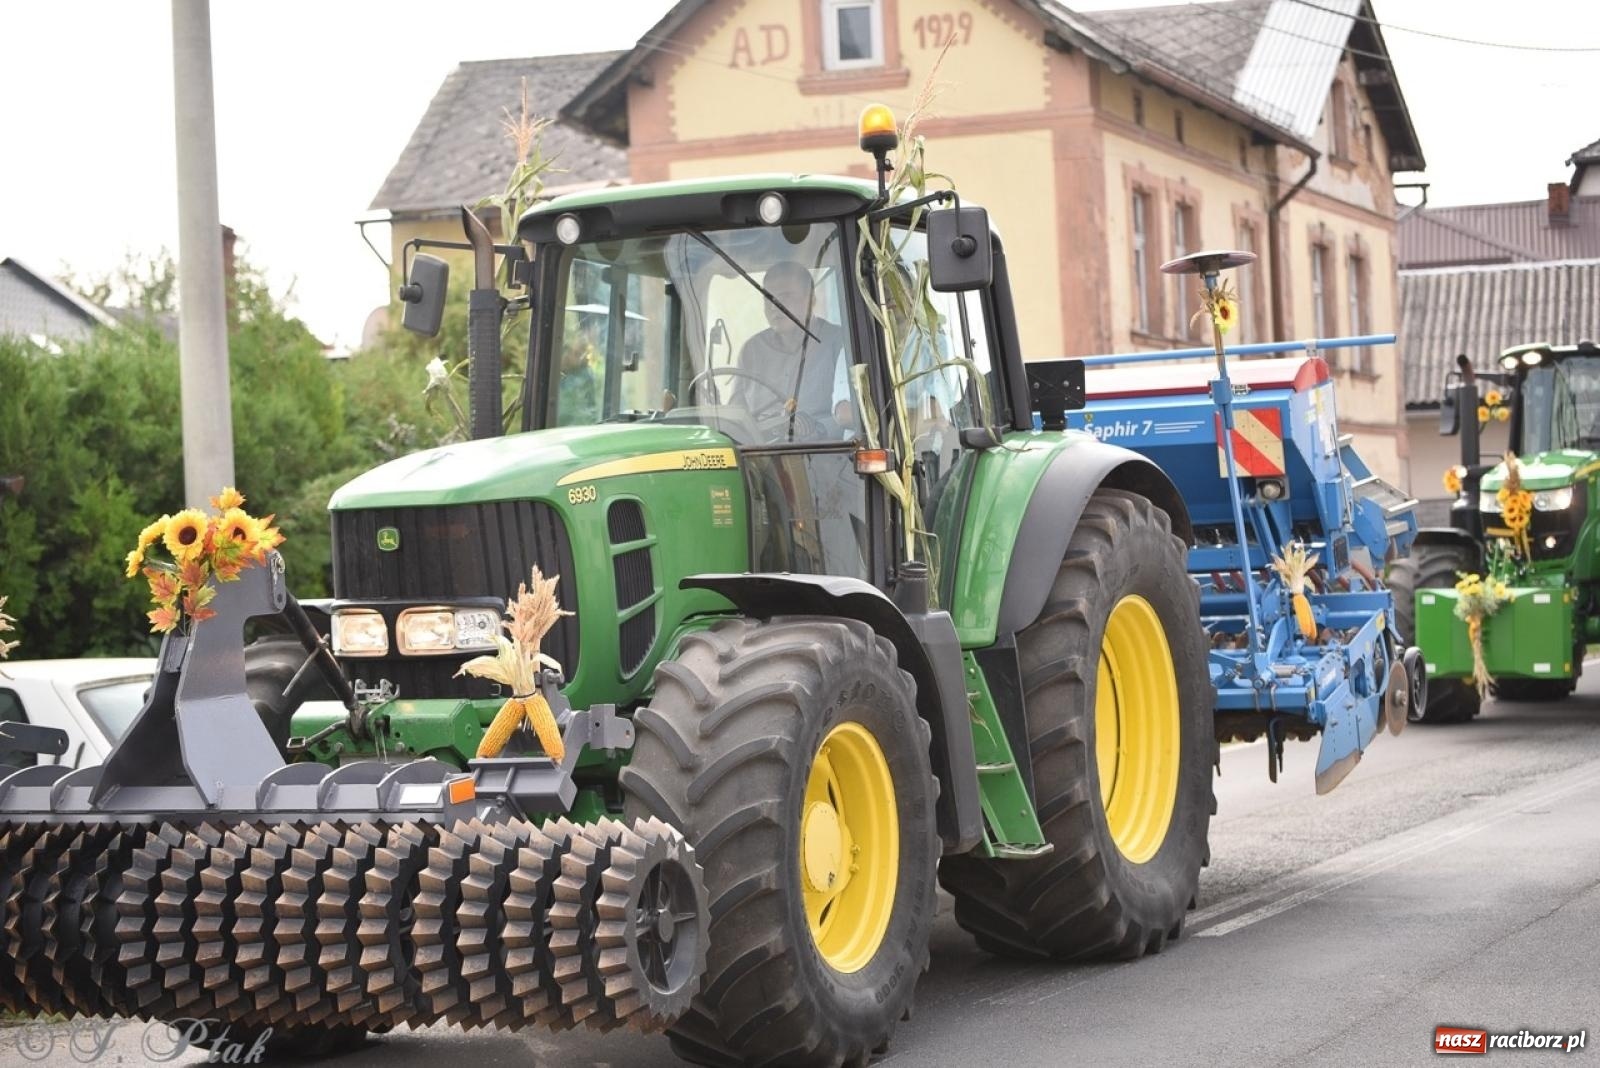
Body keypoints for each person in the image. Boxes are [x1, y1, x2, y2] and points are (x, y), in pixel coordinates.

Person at [733, 261, 854, 439]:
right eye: (768, 298)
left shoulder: (842, 343)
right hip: (760, 458)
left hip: (827, 456)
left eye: (785, 297)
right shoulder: (751, 351)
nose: (775, 307)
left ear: (811, 299)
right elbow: (735, 415)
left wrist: (817, 428)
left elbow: (859, 416)